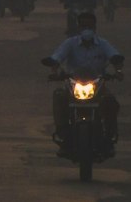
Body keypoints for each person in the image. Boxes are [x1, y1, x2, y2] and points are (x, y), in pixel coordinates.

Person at [44, 10, 123, 152]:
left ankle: (109, 135)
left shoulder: (103, 44)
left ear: (95, 28)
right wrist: (54, 71)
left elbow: (115, 56)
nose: (87, 30)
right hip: (73, 84)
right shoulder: (70, 43)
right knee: (59, 96)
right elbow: (57, 57)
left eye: (90, 27)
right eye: (84, 26)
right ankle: (62, 131)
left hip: (97, 84)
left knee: (110, 101)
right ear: (79, 28)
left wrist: (117, 71)